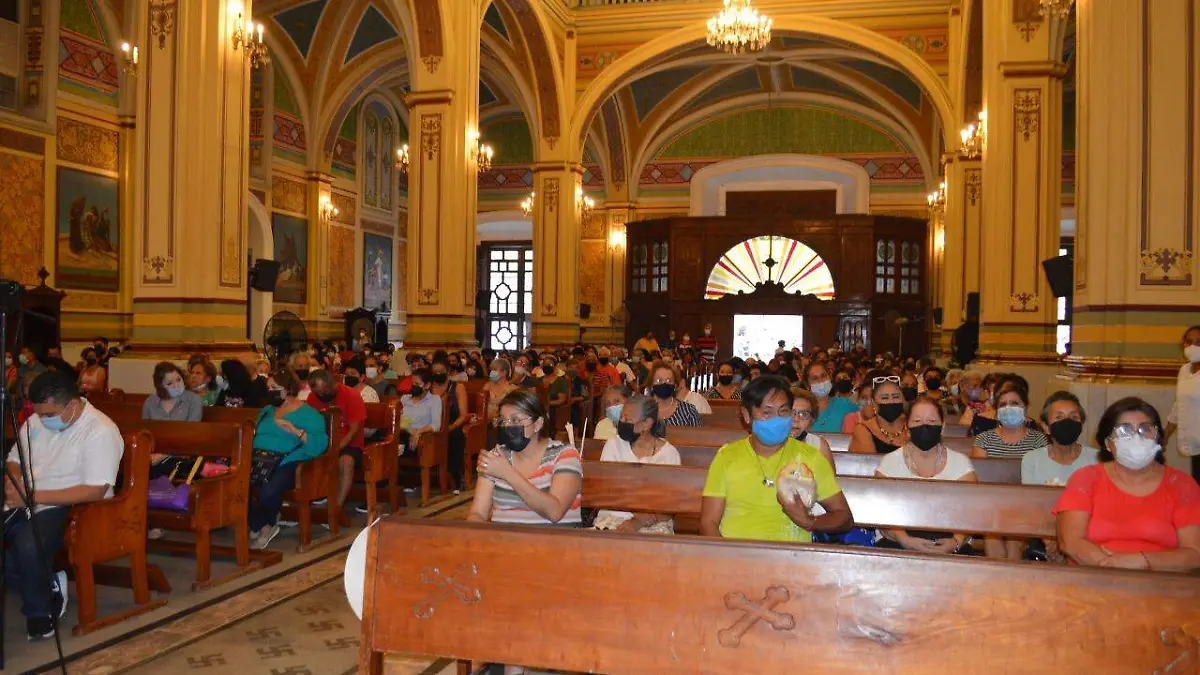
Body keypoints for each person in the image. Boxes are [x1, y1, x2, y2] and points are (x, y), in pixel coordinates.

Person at [5, 372, 123, 640]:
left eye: (49, 415)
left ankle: (40, 611)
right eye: (40, 414)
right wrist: (13, 479)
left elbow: (95, 490)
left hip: (73, 506)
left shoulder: (100, 431)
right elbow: (15, 458)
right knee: (12, 560)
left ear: (71, 405)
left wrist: (34, 497)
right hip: (28, 497)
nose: (43, 420)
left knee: (27, 546)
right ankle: (48, 584)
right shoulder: (37, 420)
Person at [1055, 397, 1200, 572]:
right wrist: (1112, 568)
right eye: (1124, 430)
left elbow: (1194, 553)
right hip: (1094, 579)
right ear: (1108, 443)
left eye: (1146, 429)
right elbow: (1070, 542)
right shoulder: (1086, 478)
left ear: (1158, 438)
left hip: (1162, 585)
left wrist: (1144, 561)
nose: (1136, 437)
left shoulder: (1181, 484)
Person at [699, 376, 852, 542]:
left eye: (783, 411)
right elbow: (709, 522)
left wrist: (810, 522)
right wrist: (724, 558)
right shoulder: (727, 456)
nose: (777, 419)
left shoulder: (810, 457)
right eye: (767, 412)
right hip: (735, 556)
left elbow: (844, 517)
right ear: (746, 415)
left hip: (791, 558)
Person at [874, 398, 978, 554]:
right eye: (917, 421)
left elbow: (972, 513)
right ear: (907, 427)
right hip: (898, 542)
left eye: (931, 420)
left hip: (950, 544)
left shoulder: (961, 464)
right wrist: (905, 540)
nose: (925, 426)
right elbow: (880, 512)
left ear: (942, 426)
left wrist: (956, 542)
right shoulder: (889, 464)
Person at [467, 389, 583, 526]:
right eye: (503, 420)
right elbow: (478, 513)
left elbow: (555, 512)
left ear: (538, 424)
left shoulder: (565, 455)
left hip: (554, 544)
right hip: (505, 544)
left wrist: (508, 474)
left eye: (515, 420)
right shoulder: (496, 457)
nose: (508, 426)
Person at [248, 368, 329, 550]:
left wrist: (297, 432)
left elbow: (320, 445)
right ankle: (263, 524)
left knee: (268, 491)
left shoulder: (308, 414)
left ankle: (264, 524)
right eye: (268, 387)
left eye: (275, 387)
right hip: (258, 459)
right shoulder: (267, 411)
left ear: (289, 388)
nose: (270, 392)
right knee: (234, 486)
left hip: (288, 462)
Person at [594, 394, 681, 533]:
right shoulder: (614, 445)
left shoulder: (669, 454)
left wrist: (639, 521)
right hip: (614, 516)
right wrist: (636, 514)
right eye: (621, 417)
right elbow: (608, 490)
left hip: (654, 522)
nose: (621, 422)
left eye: (627, 419)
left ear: (647, 424)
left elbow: (669, 504)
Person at [306, 369, 367, 515]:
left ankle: (336, 508)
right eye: (318, 393)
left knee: (345, 462)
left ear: (332, 384)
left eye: (324, 391)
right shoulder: (312, 398)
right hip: (323, 441)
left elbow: (354, 430)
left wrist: (335, 448)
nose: (322, 396)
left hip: (349, 443)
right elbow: (310, 423)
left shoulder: (351, 395)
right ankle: (310, 497)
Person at [1023, 392, 1099, 486]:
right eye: (1059, 417)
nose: (1067, 422)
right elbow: (1031, 498)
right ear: (1046, 427)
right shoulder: (1032, 460)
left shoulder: (1097, 459)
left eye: (1074, 417)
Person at [970, 383, 1049, 459]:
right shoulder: (983, 440)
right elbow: (981, 470)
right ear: (997, 411)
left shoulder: (1039, 441)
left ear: (1025, 407)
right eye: (1002, 405)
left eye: (1014, 403)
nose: (1008, 408)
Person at [429, 360, 469, 493]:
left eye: (441, 371)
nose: (438, 374)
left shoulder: (457, 387)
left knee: (456, 436)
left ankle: (456, 477)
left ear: (447, 371)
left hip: (452, 425)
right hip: (431, 425)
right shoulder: (428, 387)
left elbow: (463, 415)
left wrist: (449, 428)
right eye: (435, 372)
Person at [1166, 325, 1200, 481]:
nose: (1193, 346)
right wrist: (1165, 434)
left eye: (1199, 342)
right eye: (1189, 341)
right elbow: (1179, 405)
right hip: (1195, 442)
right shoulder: (1184, 370)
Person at [849, 376, 909, 453]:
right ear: (873, 402)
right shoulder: (862, 429)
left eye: (896, 397)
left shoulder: (911, 425)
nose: (891, 401)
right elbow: (870, 462)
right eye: (884, 398)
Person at [646, 362, 702, 427]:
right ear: (651, 384)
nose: (664, 383)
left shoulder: (688, 411)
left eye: (668, 380)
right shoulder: (640, 411)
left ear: (675, 385)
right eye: (659, 380)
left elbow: (696, 435)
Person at [807, 362, 857, 433]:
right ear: (807, 385)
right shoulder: (802, 409)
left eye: (823, 376)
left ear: (830, 377)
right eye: (815, 378)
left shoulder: (845, 405)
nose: (820, 381)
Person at [791, 388, 835, 467]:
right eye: (791, 412)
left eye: (804, 414)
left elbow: (829, 478)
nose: (796, 419)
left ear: (812, 420)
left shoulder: (819, 445)